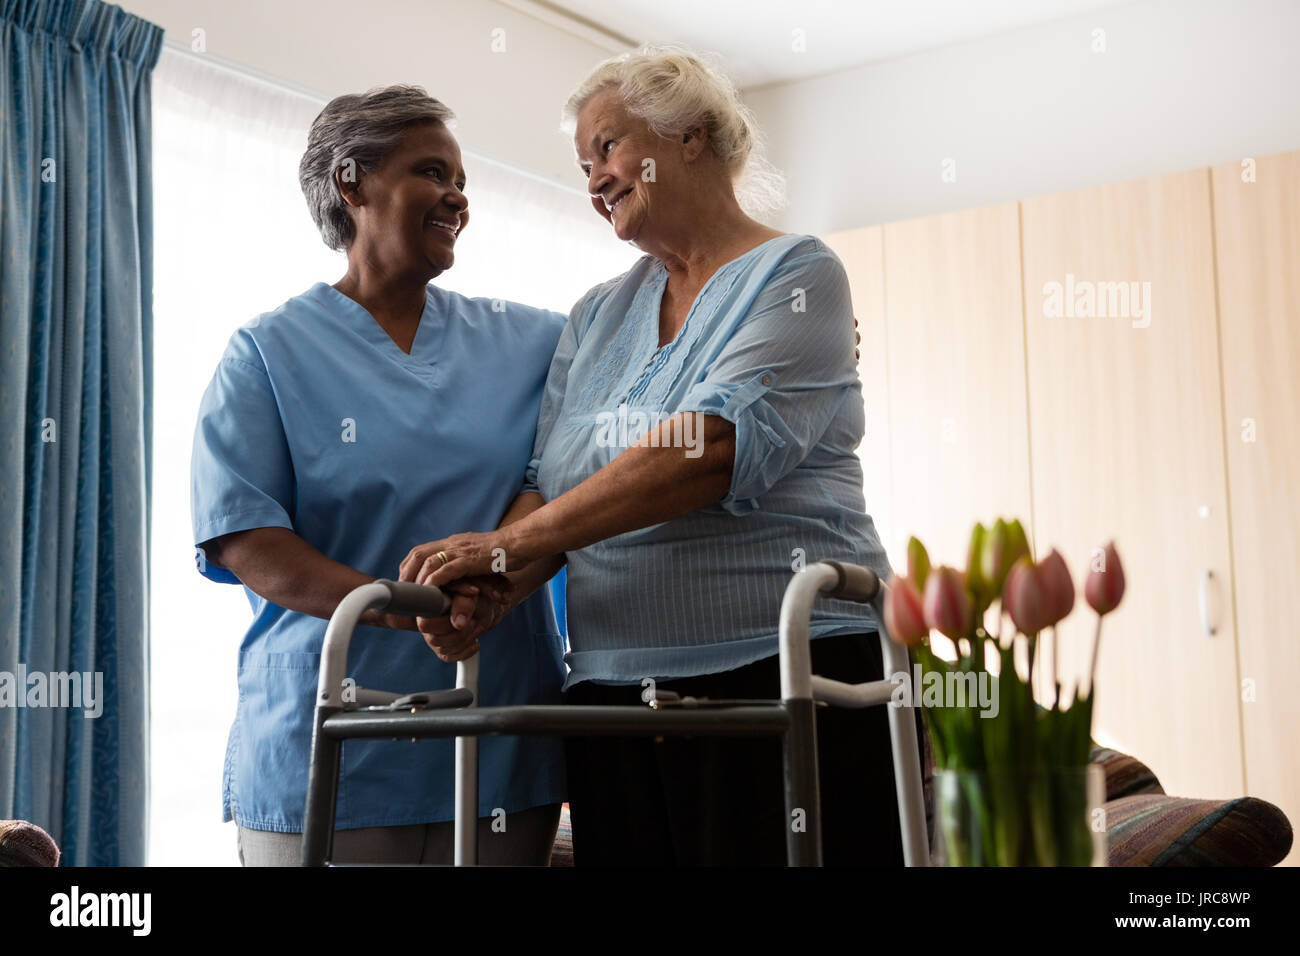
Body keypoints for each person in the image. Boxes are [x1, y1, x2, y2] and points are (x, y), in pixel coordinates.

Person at [403, 47, 924, 866]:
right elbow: (548, 487)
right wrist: (494, 590)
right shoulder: (596, 316)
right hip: (612, 695)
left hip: (781, 670)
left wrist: (505, 549)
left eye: (607, 147)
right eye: (583, 164)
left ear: (692, 135)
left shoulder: (796, 274)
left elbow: (708, 450)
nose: (594, 178)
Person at [190, 86, 566, 866]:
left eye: (463, 180)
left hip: (496, 731)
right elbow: (248, 541)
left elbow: (648, 362)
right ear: (351, 183)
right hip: (331, 730)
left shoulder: (532, 342)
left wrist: (791, 338)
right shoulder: (267, 352)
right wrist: (409, 611)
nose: (458, 197)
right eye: (433, 172)